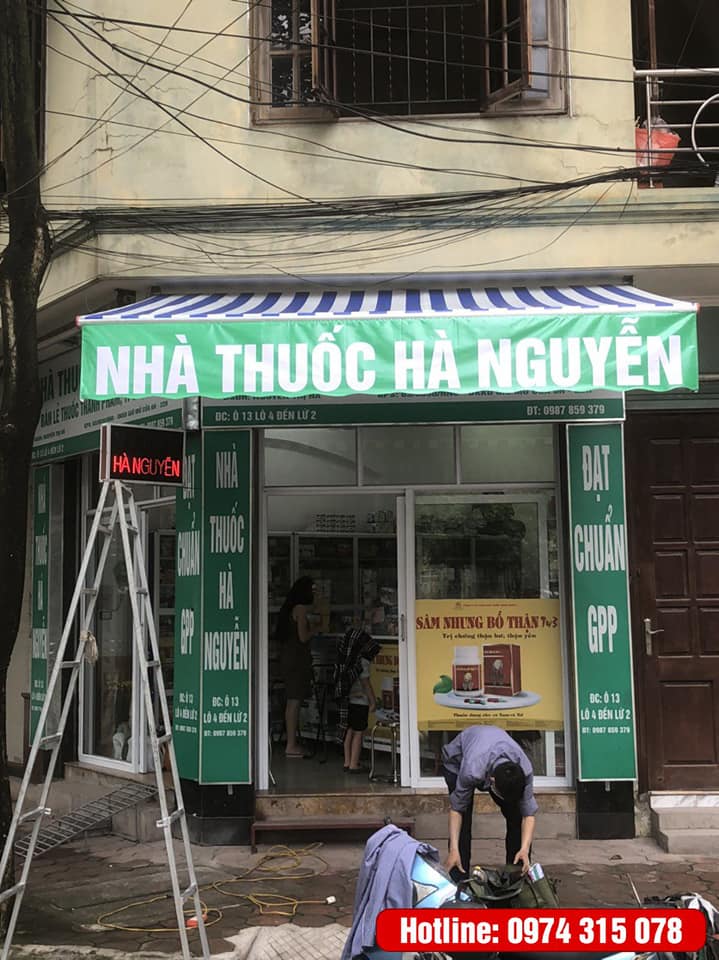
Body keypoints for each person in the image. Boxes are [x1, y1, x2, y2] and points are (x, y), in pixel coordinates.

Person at [441, 724, 537, 878]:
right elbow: (456, 810)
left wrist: (524, 849)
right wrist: (453, 849)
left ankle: (516, 876)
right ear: (492, 781)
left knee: (516, 814)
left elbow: (528, 815)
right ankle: (459, 878)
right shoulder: (472, 770)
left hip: (488, 754)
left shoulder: (525, 770)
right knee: (463, 820)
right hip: (457, 763)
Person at [276, 576, 315, 758]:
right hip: (297, 660)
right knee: (294, 701)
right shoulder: (300, 609)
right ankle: (291, 745)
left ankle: (292, 742)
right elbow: (303, 636)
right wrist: (316, 628)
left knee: (293, 700)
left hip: (289, 658)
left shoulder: (288, 609)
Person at [344, 654, 379, 773]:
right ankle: (354, 764)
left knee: (349, 730)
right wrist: (372, 701)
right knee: (359, 732)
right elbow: (365, 683)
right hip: (360, 701)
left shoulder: (349, 657)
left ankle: (347, 762)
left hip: (350, 699)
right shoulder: (363, 661)